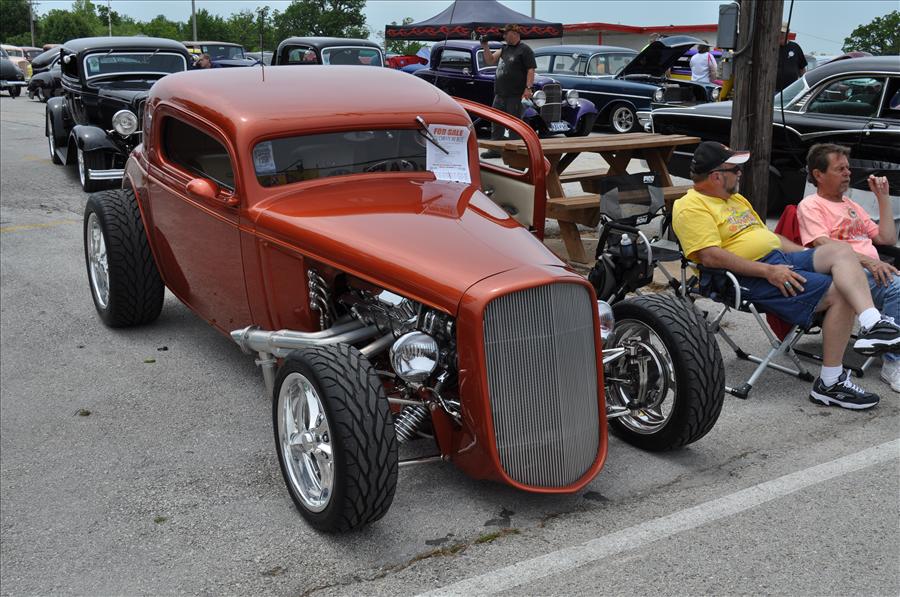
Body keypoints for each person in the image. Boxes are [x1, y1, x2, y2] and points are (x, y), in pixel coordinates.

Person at [672, 141, 900, 410]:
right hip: (746, 277)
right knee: (840, 293)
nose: (740, 173)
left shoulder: (735, 199)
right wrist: (768, 271)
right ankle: (830, 384)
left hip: (778, 260)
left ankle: (872, 323)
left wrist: (811, 256)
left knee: (839, 251)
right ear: (716, 176)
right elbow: (711, 256)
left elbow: (769, 238)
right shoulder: (691, 206)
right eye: (735, 170)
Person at [797, 143, 899, 392]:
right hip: (843, 276)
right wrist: (868, 261)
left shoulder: (851, 205)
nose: (848, 173)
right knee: (898, 289)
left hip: (873, 272)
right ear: (818, 174)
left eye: (848, 168)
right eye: (840, 169)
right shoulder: (811, 205)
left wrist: (882, 198)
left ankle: (885, 339)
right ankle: (892, 363)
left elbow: (886, 238)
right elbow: (822, 244)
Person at [479, 24, 536, 159]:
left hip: (515, 95)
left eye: (506, 33)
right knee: (496, 121)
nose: (504, 36)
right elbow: (490, 60)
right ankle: (495, 150)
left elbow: (531, 69)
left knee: (514, 124)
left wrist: (528, 88)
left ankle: (514, 152)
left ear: (515, 33)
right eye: (503, 34)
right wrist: (485, 46)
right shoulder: (504, 48)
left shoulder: (525, 50)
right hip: (500, 93)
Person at [776, 22, 807, 91]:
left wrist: (804, 85)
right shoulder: (771, 48)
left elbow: (802, 68)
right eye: (779, 32)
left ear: (788, 32)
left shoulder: (795, 47)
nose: (781, 34)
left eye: (783, 32)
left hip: (791, 90)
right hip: (773, 89)